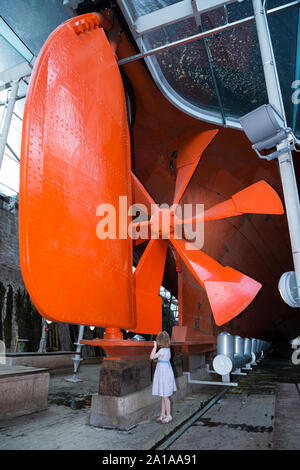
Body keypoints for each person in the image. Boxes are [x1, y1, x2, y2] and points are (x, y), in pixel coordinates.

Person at [150, 330, 176, 423]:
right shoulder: (167, 349)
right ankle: (162, 414)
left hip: (163, 373)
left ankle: (169, 415)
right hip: (165, 372)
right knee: (163, 395)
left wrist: (154, 346)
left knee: (165, 396)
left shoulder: (162, 350)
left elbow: (152, 357)